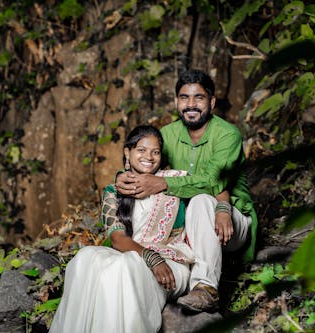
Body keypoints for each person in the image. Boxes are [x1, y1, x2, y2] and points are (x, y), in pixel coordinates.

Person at [115, 69, 258, 313]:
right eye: (184, 97)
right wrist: (123, 178)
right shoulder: (168, 135)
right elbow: (144, 159)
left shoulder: (227, 135)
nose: (191, 104)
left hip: (229, 222)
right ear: (176, 102)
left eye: (199, 98)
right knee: (192, 205)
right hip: (185, 230)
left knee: (202, 200)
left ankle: (205, 288)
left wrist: (166, 184)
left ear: (211, 102)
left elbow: (213, 181)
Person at [49, 125, 195, 333]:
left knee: (123, 266)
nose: (149, 157)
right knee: (85, 257)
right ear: (128, 152)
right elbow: (117, 239)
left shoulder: (174, 181)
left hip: (170, 262)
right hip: (138, 254)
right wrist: (151, 258)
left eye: (155, 152)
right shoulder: (114, 192)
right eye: (141, 150)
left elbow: (210, 185)